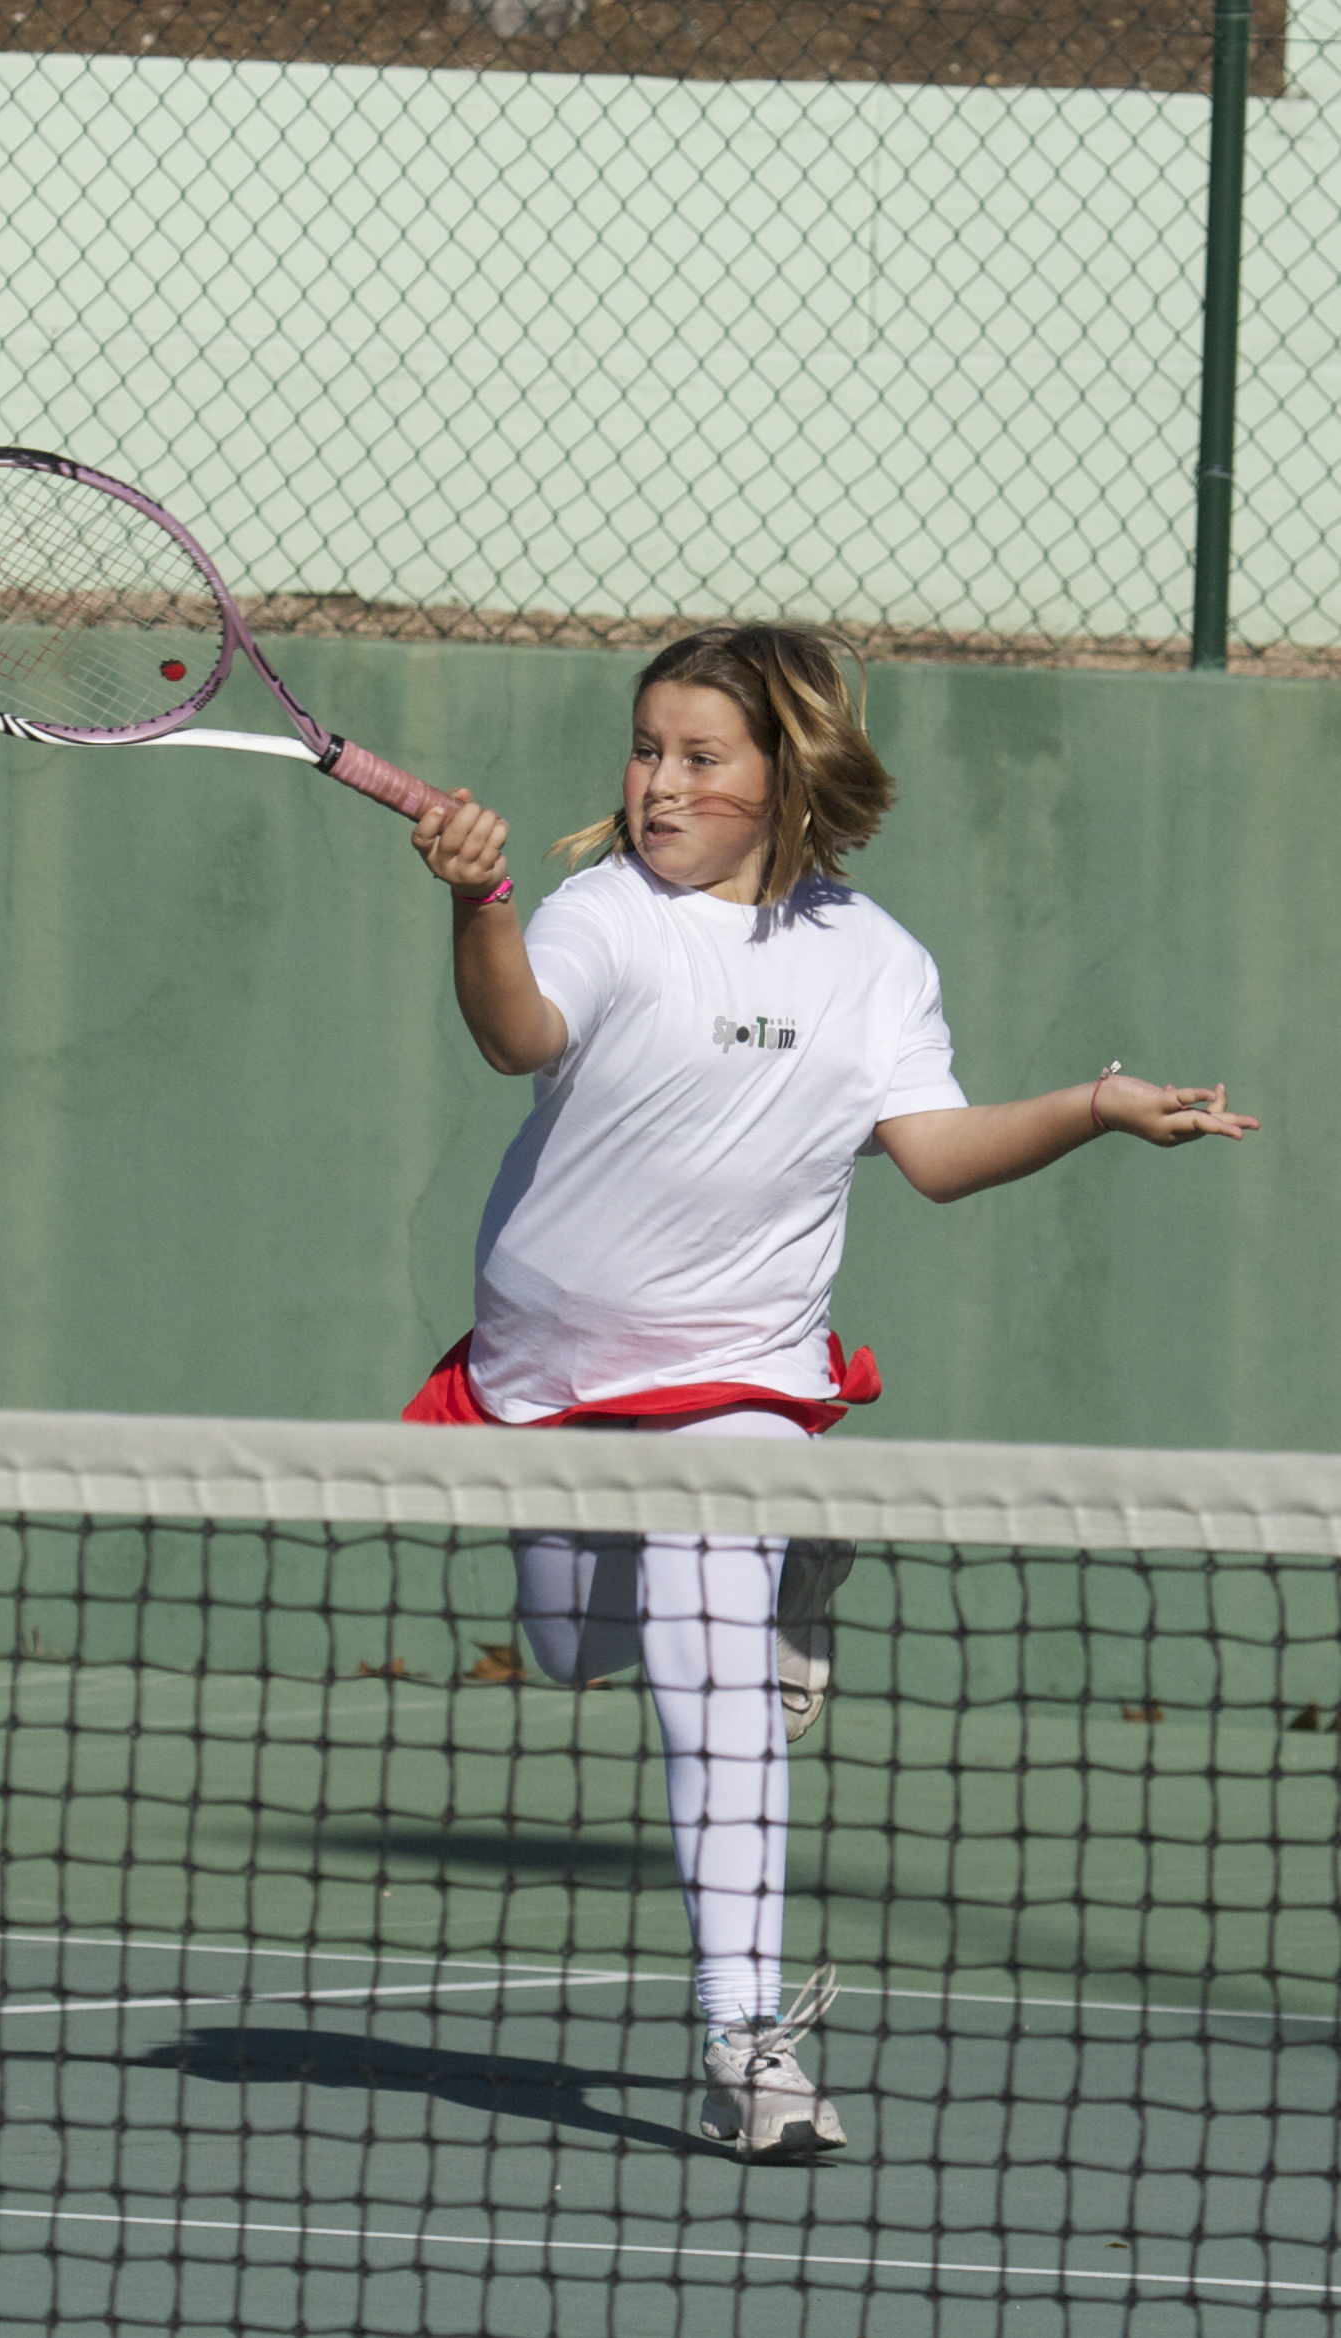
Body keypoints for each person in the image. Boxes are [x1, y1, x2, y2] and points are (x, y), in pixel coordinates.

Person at [403, 625, 1257, 2162]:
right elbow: (512, 1028)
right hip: (545, 1376)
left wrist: (1090, 1104)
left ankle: (746, 2039)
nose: (660, 784)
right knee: (566, 1642)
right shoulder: (604, 912)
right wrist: (481, 904)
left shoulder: (873, 959)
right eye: (645, 750)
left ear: (786, 775)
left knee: (709, 1671)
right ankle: (789, 1572)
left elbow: (931, 1152)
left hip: (740, 1370)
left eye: (701, 757)